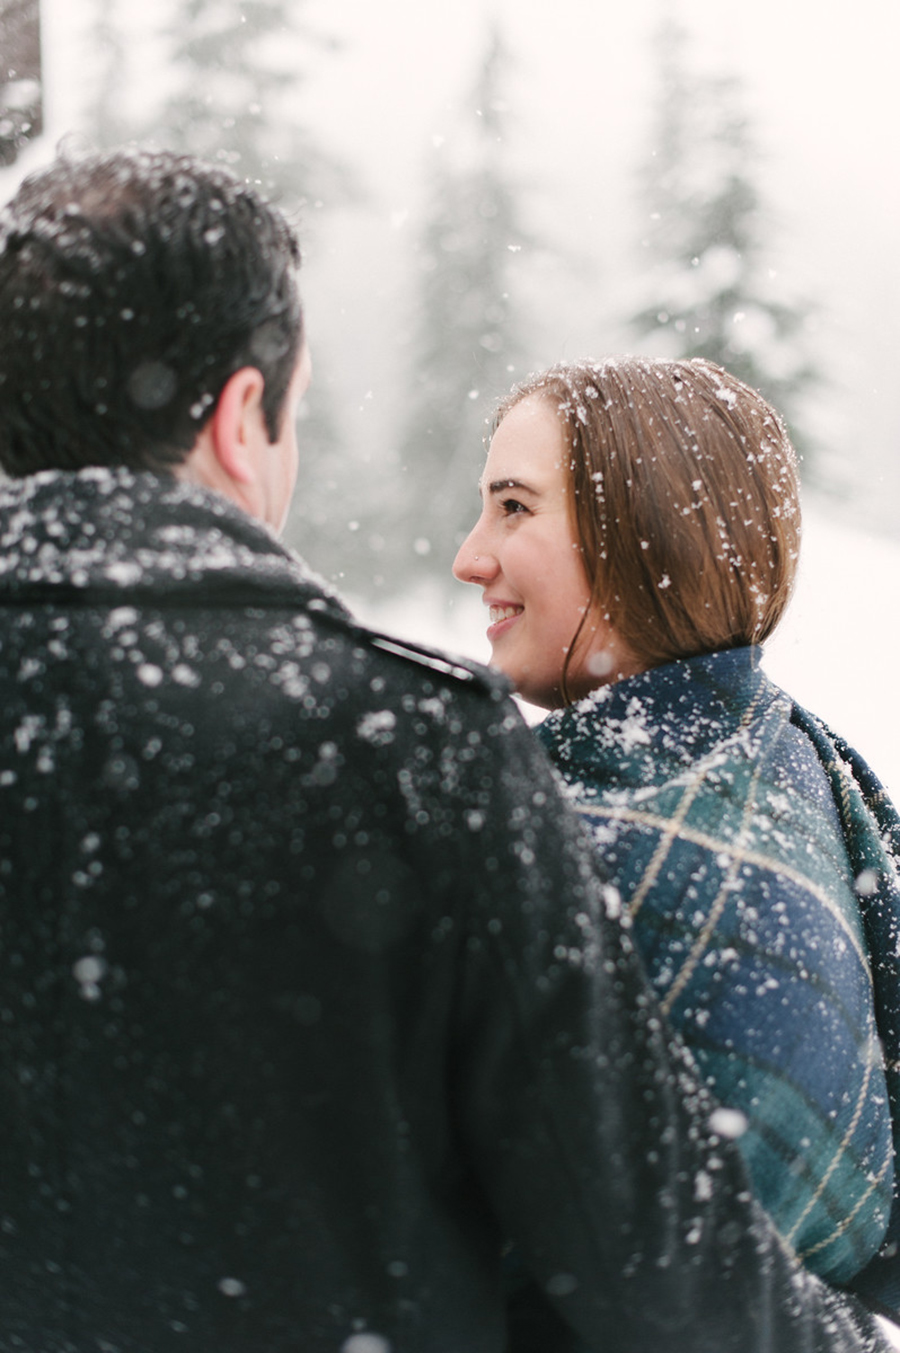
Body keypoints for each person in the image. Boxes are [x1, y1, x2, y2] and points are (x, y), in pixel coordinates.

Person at [0, 149, 891, 1353]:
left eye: (512, 508)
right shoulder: (413, 754)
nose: (469, 555)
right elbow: (653, 1258)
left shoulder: (688, 820)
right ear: (239, 416)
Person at [454, 355, 900, 1323]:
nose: (470, 556)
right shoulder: (789, 766)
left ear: (639, 535)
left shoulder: (600, 857)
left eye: (514, 508)